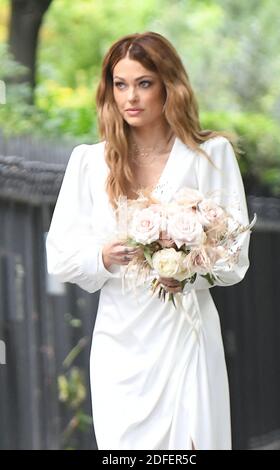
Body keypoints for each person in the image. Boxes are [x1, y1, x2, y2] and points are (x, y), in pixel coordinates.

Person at [46, 31, 251, 450]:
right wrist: (102, 257)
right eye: (120, 84)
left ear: (168, 85)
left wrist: (189, 274)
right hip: (119, 342)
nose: (130, 97)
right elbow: (59, 257)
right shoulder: (89, 162)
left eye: (144, 83)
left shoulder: (209, 155)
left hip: (185, 334)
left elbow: (235, 258)